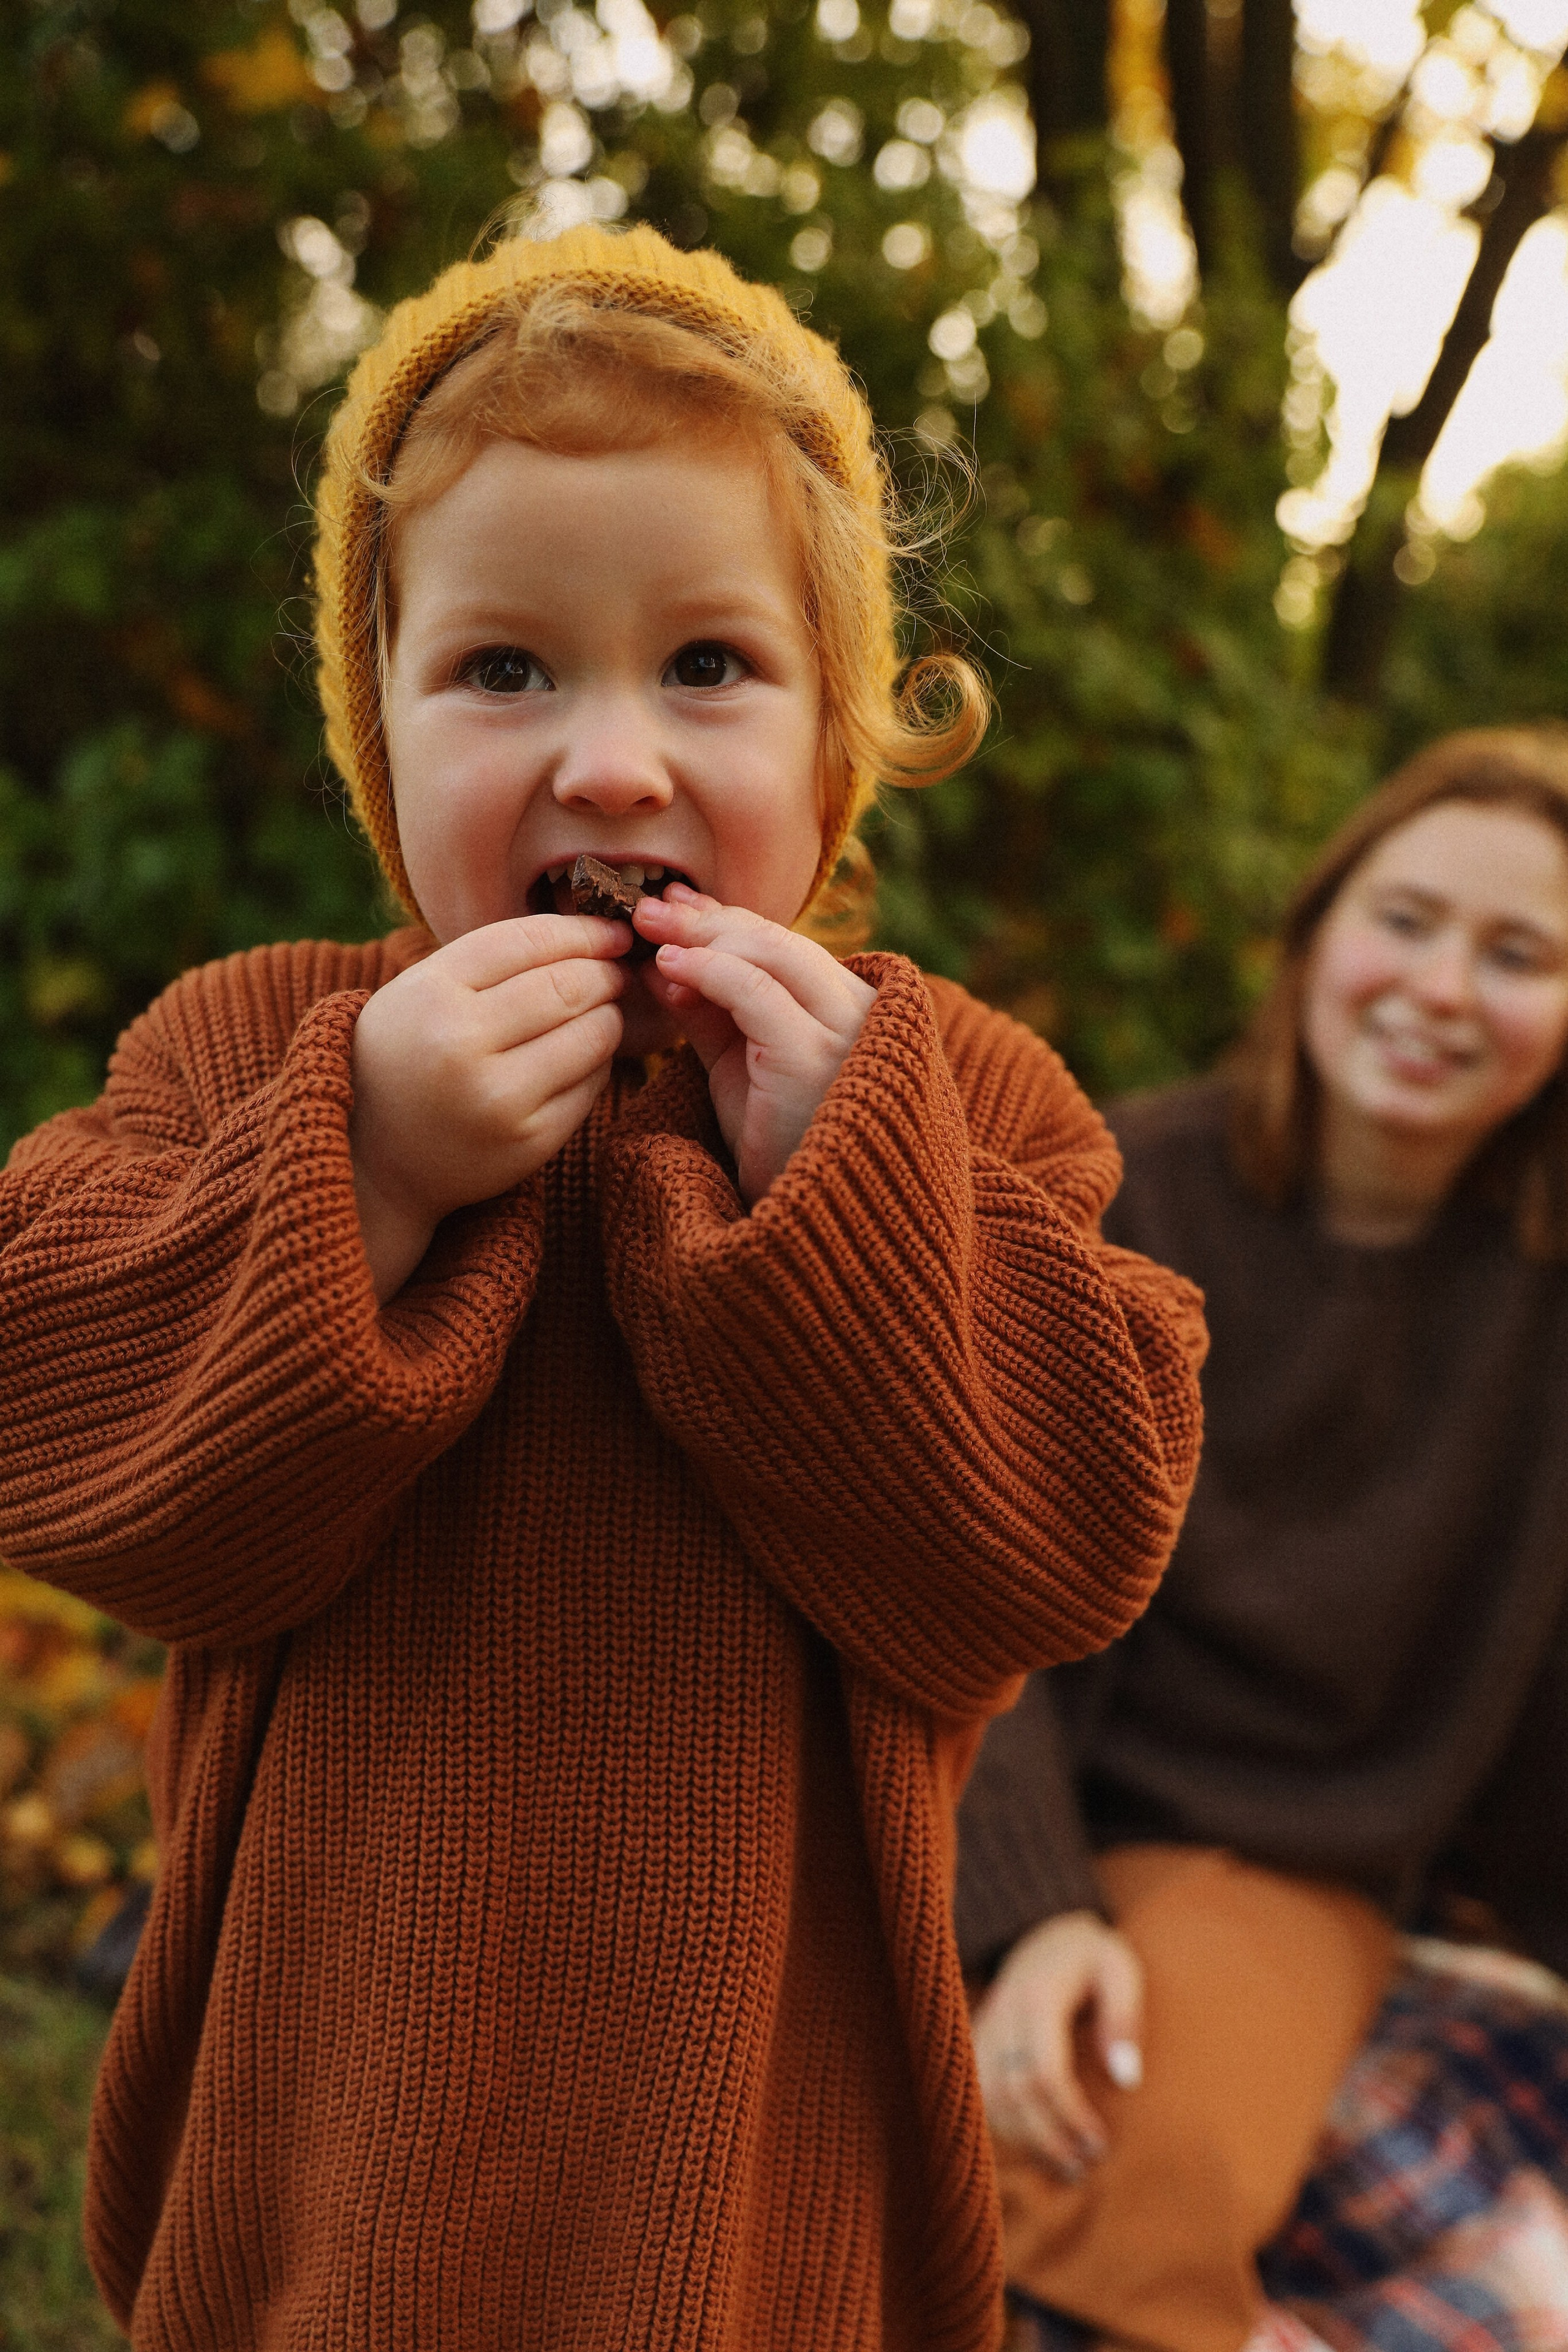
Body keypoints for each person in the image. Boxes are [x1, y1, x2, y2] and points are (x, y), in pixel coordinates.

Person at [0, 224, 1207, 2351]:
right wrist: (358, 1167)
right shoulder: (252, 1049)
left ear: (839, 743)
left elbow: (1059, 1545)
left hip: (775, 2197)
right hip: (332, 2179)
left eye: (709, 667)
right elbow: (75, 1444)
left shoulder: (960, 1101)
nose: (615, 761)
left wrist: (851, 1195)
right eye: (504, 670)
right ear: (379, 735)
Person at [954, 726, 1568, 2352]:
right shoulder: (1113, 1190)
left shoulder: (1551, 1305)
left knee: (1127, 2166)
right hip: (990, 1776)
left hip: (1287, 1865)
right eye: (1410, 920)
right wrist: (1032, 1913)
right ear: (1315, 939)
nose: (1443, 988)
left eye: (1520, 955)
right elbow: (977, 1569)